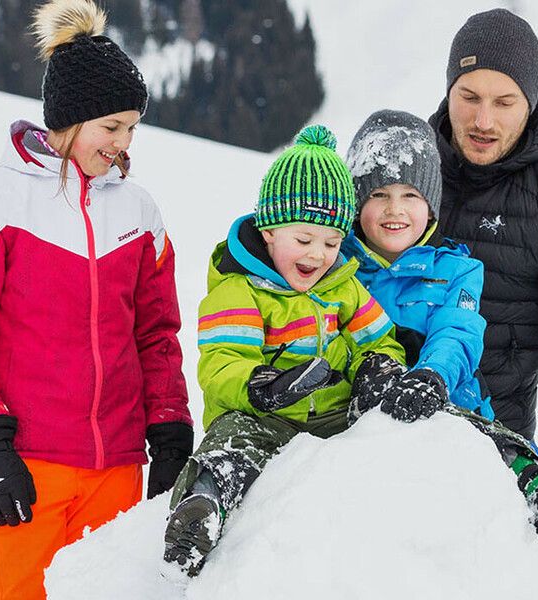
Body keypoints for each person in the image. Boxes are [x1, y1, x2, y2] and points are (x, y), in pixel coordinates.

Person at [0, 1, 191, 597]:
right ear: (70, 120)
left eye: (132, 128)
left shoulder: (140, 214)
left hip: (118, 468)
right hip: (27, 465)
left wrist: (170, 430)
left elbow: (156, 335)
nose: (124, 143)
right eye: (112, 127)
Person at [345, 108, 538, 596]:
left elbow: (459, 331)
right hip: (365, 424)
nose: (394, 209)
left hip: (459, 410)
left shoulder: (459, 268)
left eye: (410, 196)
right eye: (378, 196)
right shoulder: (338, 268)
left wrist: (433, 374)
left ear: (432, 205)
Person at [158, 125, 413, 577]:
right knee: (232, 442)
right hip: (264, 419)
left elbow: (381, 338)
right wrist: (262, 388)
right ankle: (200, 512)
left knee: (419, 410)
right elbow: (221, 365)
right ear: (270, 230)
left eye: (332, 243)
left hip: (334, 418)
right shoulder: (240, 290)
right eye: (304, 239)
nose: (318, 255)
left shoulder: (344, 286)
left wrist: (379, 366)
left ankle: (522, 474)